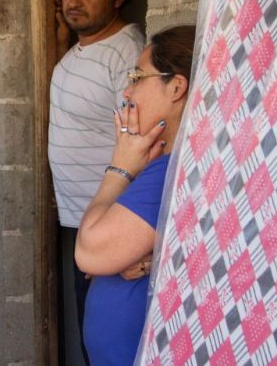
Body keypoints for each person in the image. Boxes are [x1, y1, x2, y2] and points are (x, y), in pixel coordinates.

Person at [76, 25, 197, 365]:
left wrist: (120, 166)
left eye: (137, 77)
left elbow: (90, 252)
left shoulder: (170, 171)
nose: (127, 92)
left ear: (176, 86)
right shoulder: (169, 165)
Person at [49, 0, 145, 364]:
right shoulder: (78, 50)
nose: (75, 0)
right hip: (81, 224)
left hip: (112, 231)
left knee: (110, 348)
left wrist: (125, 241)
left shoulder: (125, 52)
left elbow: (143, 141)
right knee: (92, 343)